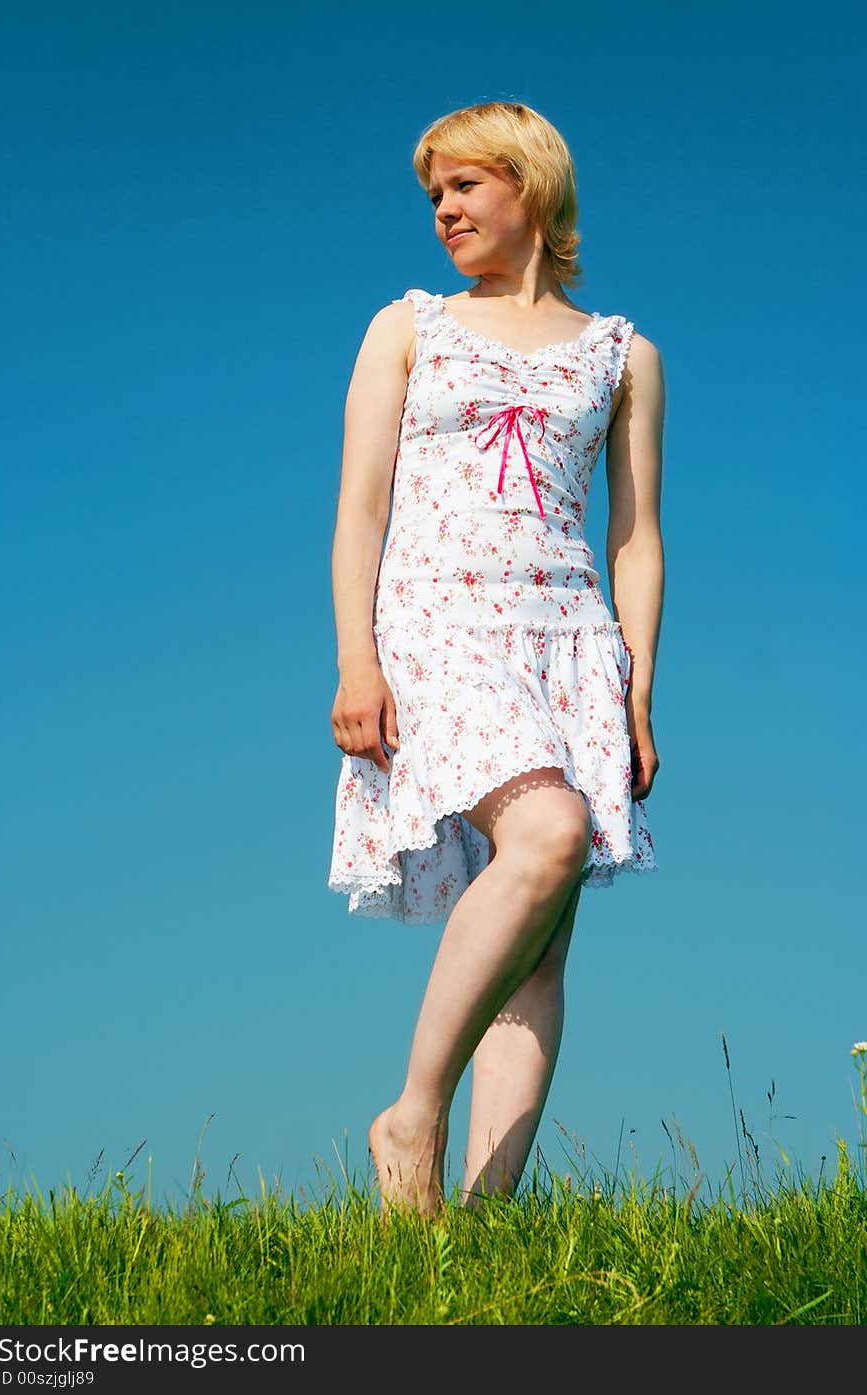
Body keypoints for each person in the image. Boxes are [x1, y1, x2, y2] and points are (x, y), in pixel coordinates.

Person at [327, 101, 664, 1217]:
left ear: (532, 189)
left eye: (466, 186)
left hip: (571, 642)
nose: (445, 210)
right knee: (549, 829)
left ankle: (477, 1229)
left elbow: (633, 536)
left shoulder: (623, 354)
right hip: (437, 626)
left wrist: (638, 694)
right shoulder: (407, 327)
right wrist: (355, 663)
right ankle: (411, 1115)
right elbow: (359, 510)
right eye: (434, 195)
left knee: (540, 945)